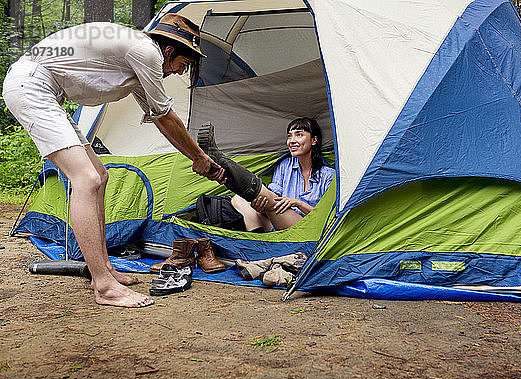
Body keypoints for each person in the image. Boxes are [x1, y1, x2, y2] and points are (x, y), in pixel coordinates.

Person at [2, 14, 226, 308]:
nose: (180, 72)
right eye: (183, 64)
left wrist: (198, 157)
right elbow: (166, 117)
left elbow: (161, 120)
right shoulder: (145, 51)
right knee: (87, 179)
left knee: (100, 175)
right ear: (169, 51)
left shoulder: (133, 57)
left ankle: (105, 270)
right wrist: (199, 157)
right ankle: (104, 287)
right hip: (32, 88)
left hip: (43, 91)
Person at [231, 117, 335, 232]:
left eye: (299, 135)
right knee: (239, 199)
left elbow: (328, 218)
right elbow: (274, 199)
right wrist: (261, 207)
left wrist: (298, 204)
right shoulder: (285, 166)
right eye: (290, 136)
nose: (292, 141)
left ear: (314, 140)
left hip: (309, 232)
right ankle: (260, 240)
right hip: (280, 227)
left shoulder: (328, 175)